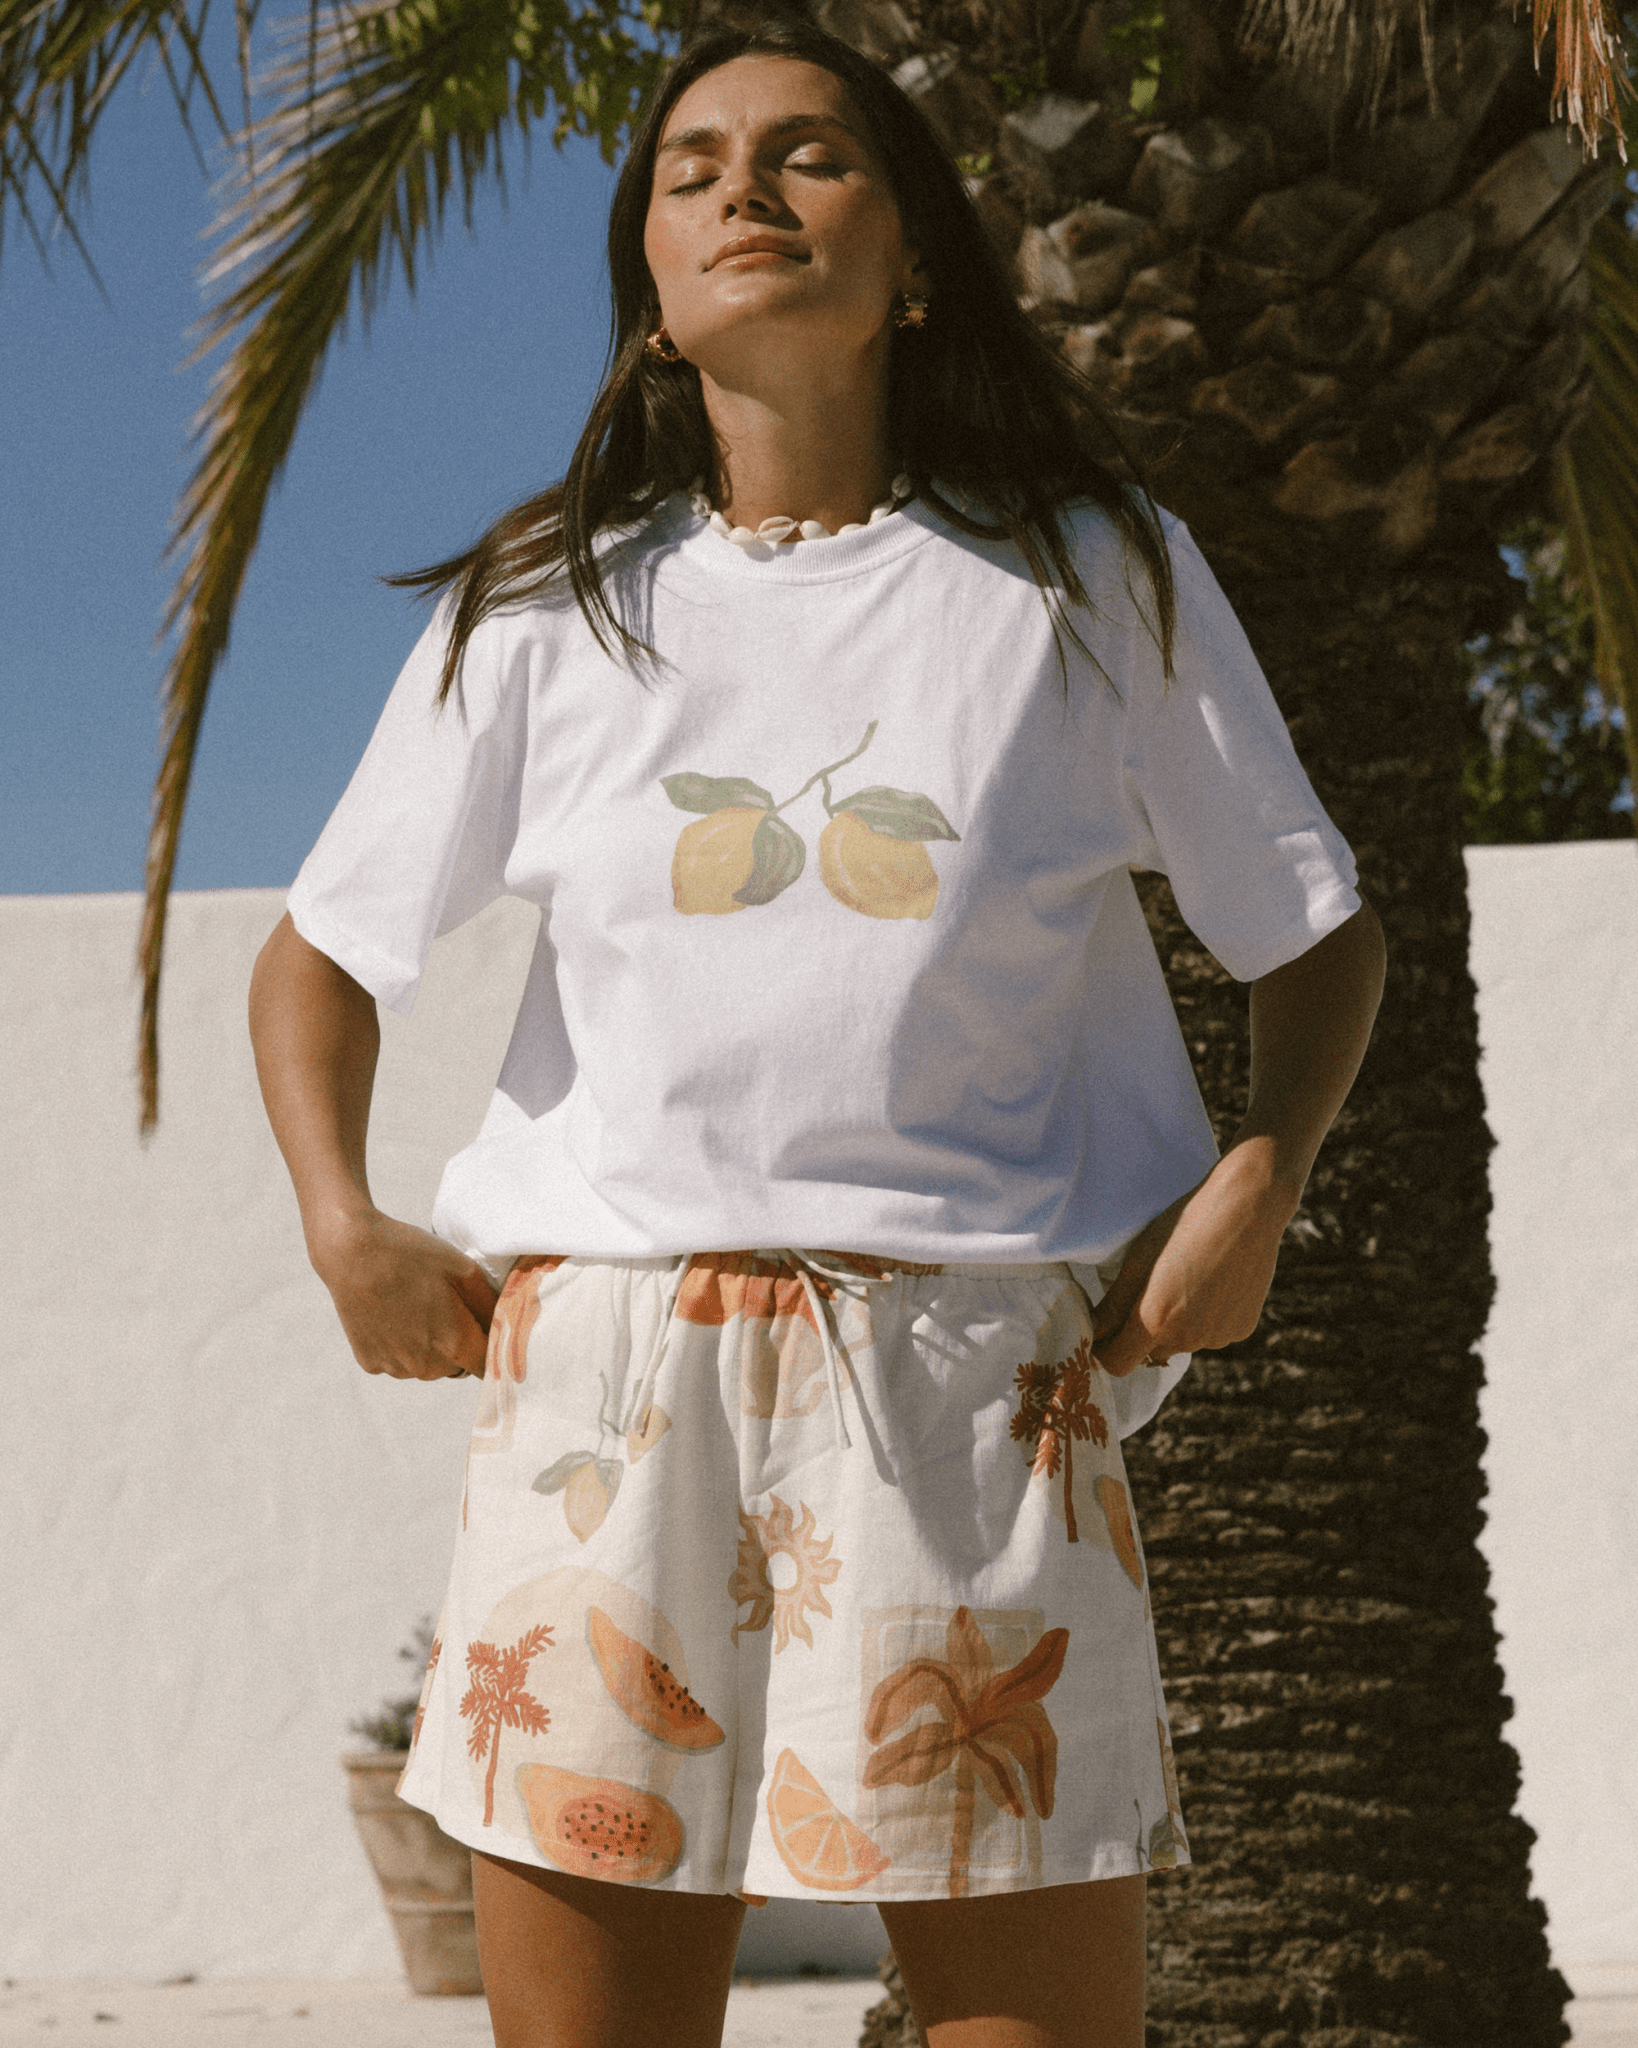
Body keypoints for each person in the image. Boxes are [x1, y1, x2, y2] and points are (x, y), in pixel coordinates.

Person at [247, 18, 1386, 2048]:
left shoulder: (1085, 579)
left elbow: (1311, 931)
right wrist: (343, 1220)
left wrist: (1262, 1174)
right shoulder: (548, 603)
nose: (743, 192)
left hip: (970, 1386)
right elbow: (322, 952)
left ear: (916, 257)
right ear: (652, 295)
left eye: (807, 155)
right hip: (611, 1387)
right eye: (690, 169)